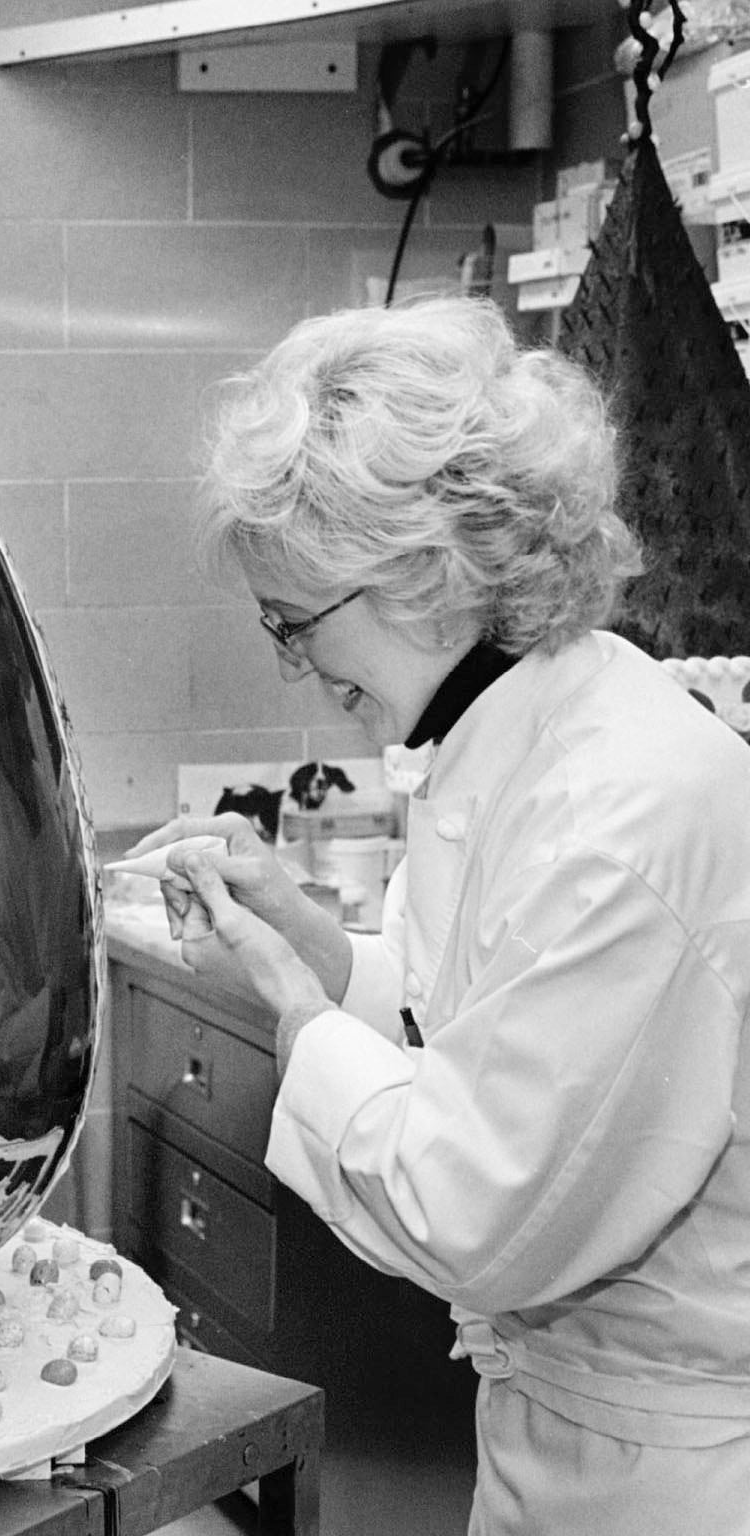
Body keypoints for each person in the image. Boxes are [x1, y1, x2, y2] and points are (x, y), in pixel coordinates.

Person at [129, 296, 750, 1534]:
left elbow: (474, 1210)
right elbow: (456, 1006)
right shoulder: (502, 742)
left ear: (423, 571)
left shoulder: (621, 811)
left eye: (294, 623)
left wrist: (303, 1019)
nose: (297, 668)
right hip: (549, 1430)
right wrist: (305, 937)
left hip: (667, 1472)